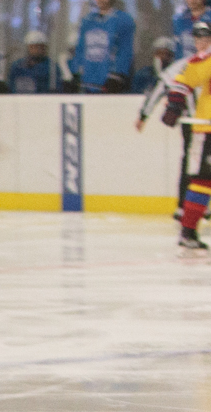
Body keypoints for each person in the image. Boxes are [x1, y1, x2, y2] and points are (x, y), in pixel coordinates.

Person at [160, 20, 211, 254]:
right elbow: (182, 81)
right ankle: (188, 230)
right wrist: (175, 104)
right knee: (203, 180)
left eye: (205, 37)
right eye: (198, 37)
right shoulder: (204, 60)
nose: (201, 42)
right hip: (208, 130)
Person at [139, 28, 196, 219]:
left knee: (196, 165)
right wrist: (143, 115)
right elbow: (160, 87)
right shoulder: (183, 65)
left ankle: (194, 205)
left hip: (201, 120)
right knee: (191, 164)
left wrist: (144, 115)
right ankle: (184, 205)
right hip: (193, 122)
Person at [74, 0, 135, 93]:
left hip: (109, 81)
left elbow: (125, 50)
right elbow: (80, 48)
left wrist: (117, 75)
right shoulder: (87, 20)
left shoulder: (123, 20)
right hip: (87, 81)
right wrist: (76, 71)